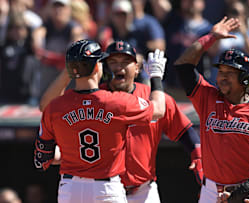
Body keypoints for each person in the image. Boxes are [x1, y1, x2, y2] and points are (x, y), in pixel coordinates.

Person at [39, 40, 203, 203]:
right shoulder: (99, 99)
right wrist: (156, 78)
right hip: (109, 188)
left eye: (126, 62)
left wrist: (198, 156)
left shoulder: (150, 97)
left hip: (141, 190)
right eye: (112, 62)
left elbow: (185, 131)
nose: (119, 67)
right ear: (101, 67)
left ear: (137, 68)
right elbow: (48, 107)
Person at [174, 16, 249, 203]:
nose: (222, 77)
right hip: (210, 191)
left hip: (245, 192)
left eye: (230, 73)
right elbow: (183, 66)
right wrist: (211, 38)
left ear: (245, 78)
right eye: (221, 72)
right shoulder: (207, 98)